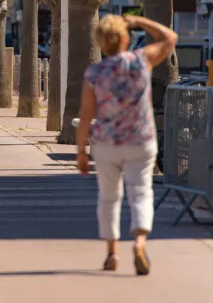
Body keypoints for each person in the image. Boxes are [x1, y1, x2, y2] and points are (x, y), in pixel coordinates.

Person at [76, 14, 177, 276]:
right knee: (141, 192)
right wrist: (140, 21)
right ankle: (140, 243)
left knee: (109, 198)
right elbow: (170, 38)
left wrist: (81, 152)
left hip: (106, 143)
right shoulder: (141, 60)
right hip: (140, 140)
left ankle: (112, 252)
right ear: (124, 38)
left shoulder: (95, 72)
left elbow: (86, 115)